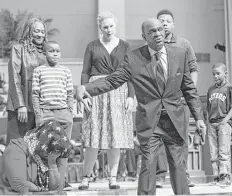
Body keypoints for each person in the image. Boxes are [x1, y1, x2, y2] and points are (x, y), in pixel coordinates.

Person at [76, 18, 206, 195]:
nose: (158, 34)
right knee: (148, 165)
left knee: (178, 166)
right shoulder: (134, 58)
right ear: (144, 36)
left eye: (160, 29)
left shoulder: (180, 53)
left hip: (175, 119)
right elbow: (113, 80)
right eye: (152, 31)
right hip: (150, 120)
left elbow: (189, 88)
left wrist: (199, 118)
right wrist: (87, 88)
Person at [78, 12, 134, 190]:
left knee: (115, 137)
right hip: (96, 91)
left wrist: (131, 96)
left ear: (115, 26)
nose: (108, 30)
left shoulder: (125, 46)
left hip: (118, 90)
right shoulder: (92, 46)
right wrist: (84, 92)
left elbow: (130, 72)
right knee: (93, 136)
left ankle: (113, 177)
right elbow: (85, 71)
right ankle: (86, 177)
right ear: (100, 28)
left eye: (111, 26)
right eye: (105, 27)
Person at [156, 9, 199, 188]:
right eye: (161, 21)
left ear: (173, 24)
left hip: (180, 100)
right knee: (157, 138)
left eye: (168, 21)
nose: (165, 24)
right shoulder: (153, 44)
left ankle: (183, 176)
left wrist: (189, 94)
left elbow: (193, 69)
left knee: (180, 139)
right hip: (158, 100)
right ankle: (159, 176)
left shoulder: (183, 43)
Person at [0, 120, 73, 195]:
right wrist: (44, 192)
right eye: (52, 151)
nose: (55, 154)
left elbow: (57, 188)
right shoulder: (15, 149)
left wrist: (52, 164)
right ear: (43, 144)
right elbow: (19, 185)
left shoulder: (53, 154)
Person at [32, 40, 74, 189]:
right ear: (45, 53)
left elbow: (70, 93)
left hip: (64, 114)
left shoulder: (66, 71)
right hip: (46, 115)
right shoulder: (39, 70)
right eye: (51, 51)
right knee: (47, 153)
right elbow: (35, 94)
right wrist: (38, 114)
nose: (55, 53)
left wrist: (70, 112)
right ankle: (48, 186)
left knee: (63, 153)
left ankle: (60, 186)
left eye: (57, 51)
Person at [6, 18, 47, 144]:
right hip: (22, 106)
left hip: (41, 107)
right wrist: (20, 104)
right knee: (19, 145)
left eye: (42, 31)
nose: (40, 34)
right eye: (36, 31)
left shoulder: (47, 52)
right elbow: (14, 78)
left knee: (39, 147)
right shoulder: (18, 49)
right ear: (28, 32)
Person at [207, 63, 232, 187]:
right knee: (213, 152)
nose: (215, 76)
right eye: (213, 74)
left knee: (223, 151)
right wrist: (208, 121)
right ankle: (216, 176)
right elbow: (208, 108)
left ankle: (224, 176)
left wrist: (226, 120)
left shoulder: (231, 88)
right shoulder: (211, 89)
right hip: (212, 123)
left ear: (225, 73)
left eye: (218, 73)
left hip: (223, 123)